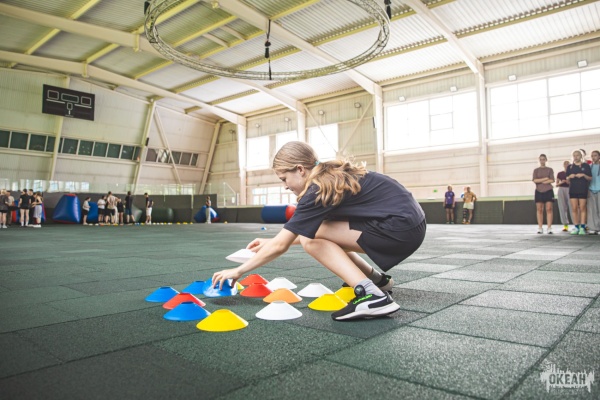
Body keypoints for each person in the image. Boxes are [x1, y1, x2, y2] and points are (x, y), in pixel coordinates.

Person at [212, 141, 426, 321]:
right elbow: (315, 231)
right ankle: (378, 281)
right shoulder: (330, 177)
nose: (285, 186)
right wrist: (271, 241)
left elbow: (285, 244)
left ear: (300, 169)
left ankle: (373, 296)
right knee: (316, 233)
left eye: (284, 179)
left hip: (398, 229)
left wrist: (238, 271)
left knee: (310, 241)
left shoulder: (317, 189)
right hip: (411, 226)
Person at [566, 149, 592, 235]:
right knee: (574, 208)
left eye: (577, 155)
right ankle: (576, 226)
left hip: (582, 189)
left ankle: (582, 227)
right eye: (574, 155)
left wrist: (583, 175)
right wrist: (570, 176)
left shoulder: (586, 166)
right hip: (573, 189)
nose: (575, 157)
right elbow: (567, 179)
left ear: (581, 156)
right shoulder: (570, 167)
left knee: (582, 208)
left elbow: (590, 178)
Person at [532, 154, 555, 234]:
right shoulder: (536, 170)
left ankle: (549, 227)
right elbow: (535, 180)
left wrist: (541, 181)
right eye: (541, 159)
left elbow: (552, 180)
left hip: (548, 191)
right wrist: (545, 179)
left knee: (549, 209)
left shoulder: (550, 169)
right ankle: (540, 227)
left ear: (546, 160)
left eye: (543, 159)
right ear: (539, 160)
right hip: (539, 191)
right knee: (539, 209)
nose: (542, 161)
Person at [556, 160, 573, 232]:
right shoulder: (560, 173)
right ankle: (565, 224)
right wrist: (562, 182)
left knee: (572, 207)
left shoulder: (572, 173)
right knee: (562, 207)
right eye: (565, 164)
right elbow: (556, 184)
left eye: (568, 164)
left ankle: (576, 223)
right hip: (561, 189)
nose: (566, 165)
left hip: (570, 189)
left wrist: (568, 182)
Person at [587, 150, 600, 235]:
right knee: (592, 210)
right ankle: (594, 228)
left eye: (595, 155)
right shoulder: (589, 167)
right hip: (591, 190)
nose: (593, 157)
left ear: (599, 156)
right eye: (592, 156)